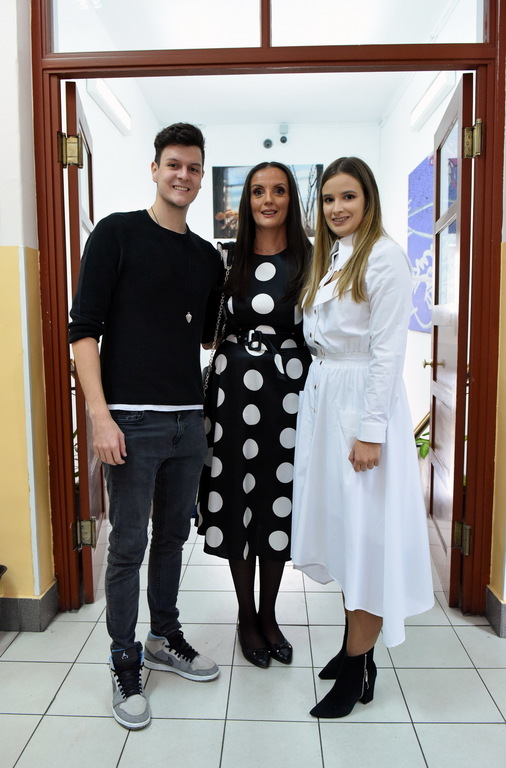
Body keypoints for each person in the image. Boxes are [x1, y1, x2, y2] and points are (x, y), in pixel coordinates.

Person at [69, 123, 222, 731]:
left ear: (201, 177)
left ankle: (163, 636)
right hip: (129, 422)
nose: (183, 175)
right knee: (128, 545)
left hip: (188, 420)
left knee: (174, 538)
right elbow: (84, 331)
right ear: (155, 169)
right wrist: (99, 417)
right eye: (173, 164)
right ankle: (124, 659)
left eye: (193, 167)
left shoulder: (206, 257)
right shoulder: (117, 233)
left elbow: (205, 336)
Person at [291, 157, 434, 718]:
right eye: (329, 199)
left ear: (368, 200)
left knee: (367, 538)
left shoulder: (384, 256)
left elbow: (387, 352)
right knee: (345, 533)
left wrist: (371, 432)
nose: (337, 208)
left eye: (348, 197)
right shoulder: (333, 258)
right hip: (328, 402)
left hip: (361, 410)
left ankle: (356, 671)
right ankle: (356, 650)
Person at [197, 162, 312, 668]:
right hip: (233, 403)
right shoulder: (228, 260)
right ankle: (246, 616)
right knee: (239, 499)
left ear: (291, 199)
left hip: (290, 400)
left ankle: (269, 615)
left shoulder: (311, 260)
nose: (268, 200)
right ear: (246, 201)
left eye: (279, 190)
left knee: (276, 502)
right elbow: (207, 329)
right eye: (259, 191)